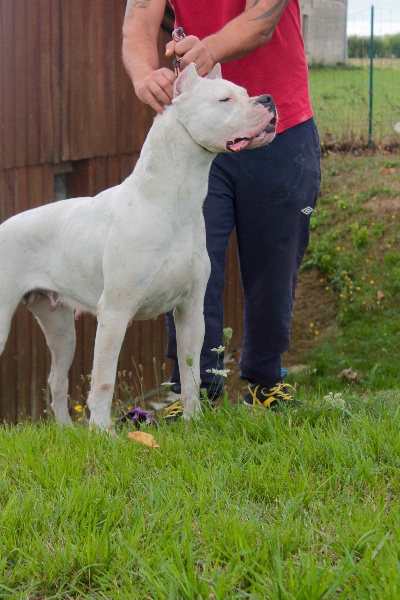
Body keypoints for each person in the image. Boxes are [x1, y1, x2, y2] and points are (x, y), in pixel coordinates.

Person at [122, 0, 321, 412]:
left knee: (274, 261)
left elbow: (261, 21)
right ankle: (195, 392)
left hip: (277, 123)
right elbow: (138, 27)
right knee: (190, 263)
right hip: (200, 132)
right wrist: (144, 76)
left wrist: (210, 49)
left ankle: (266, 383)